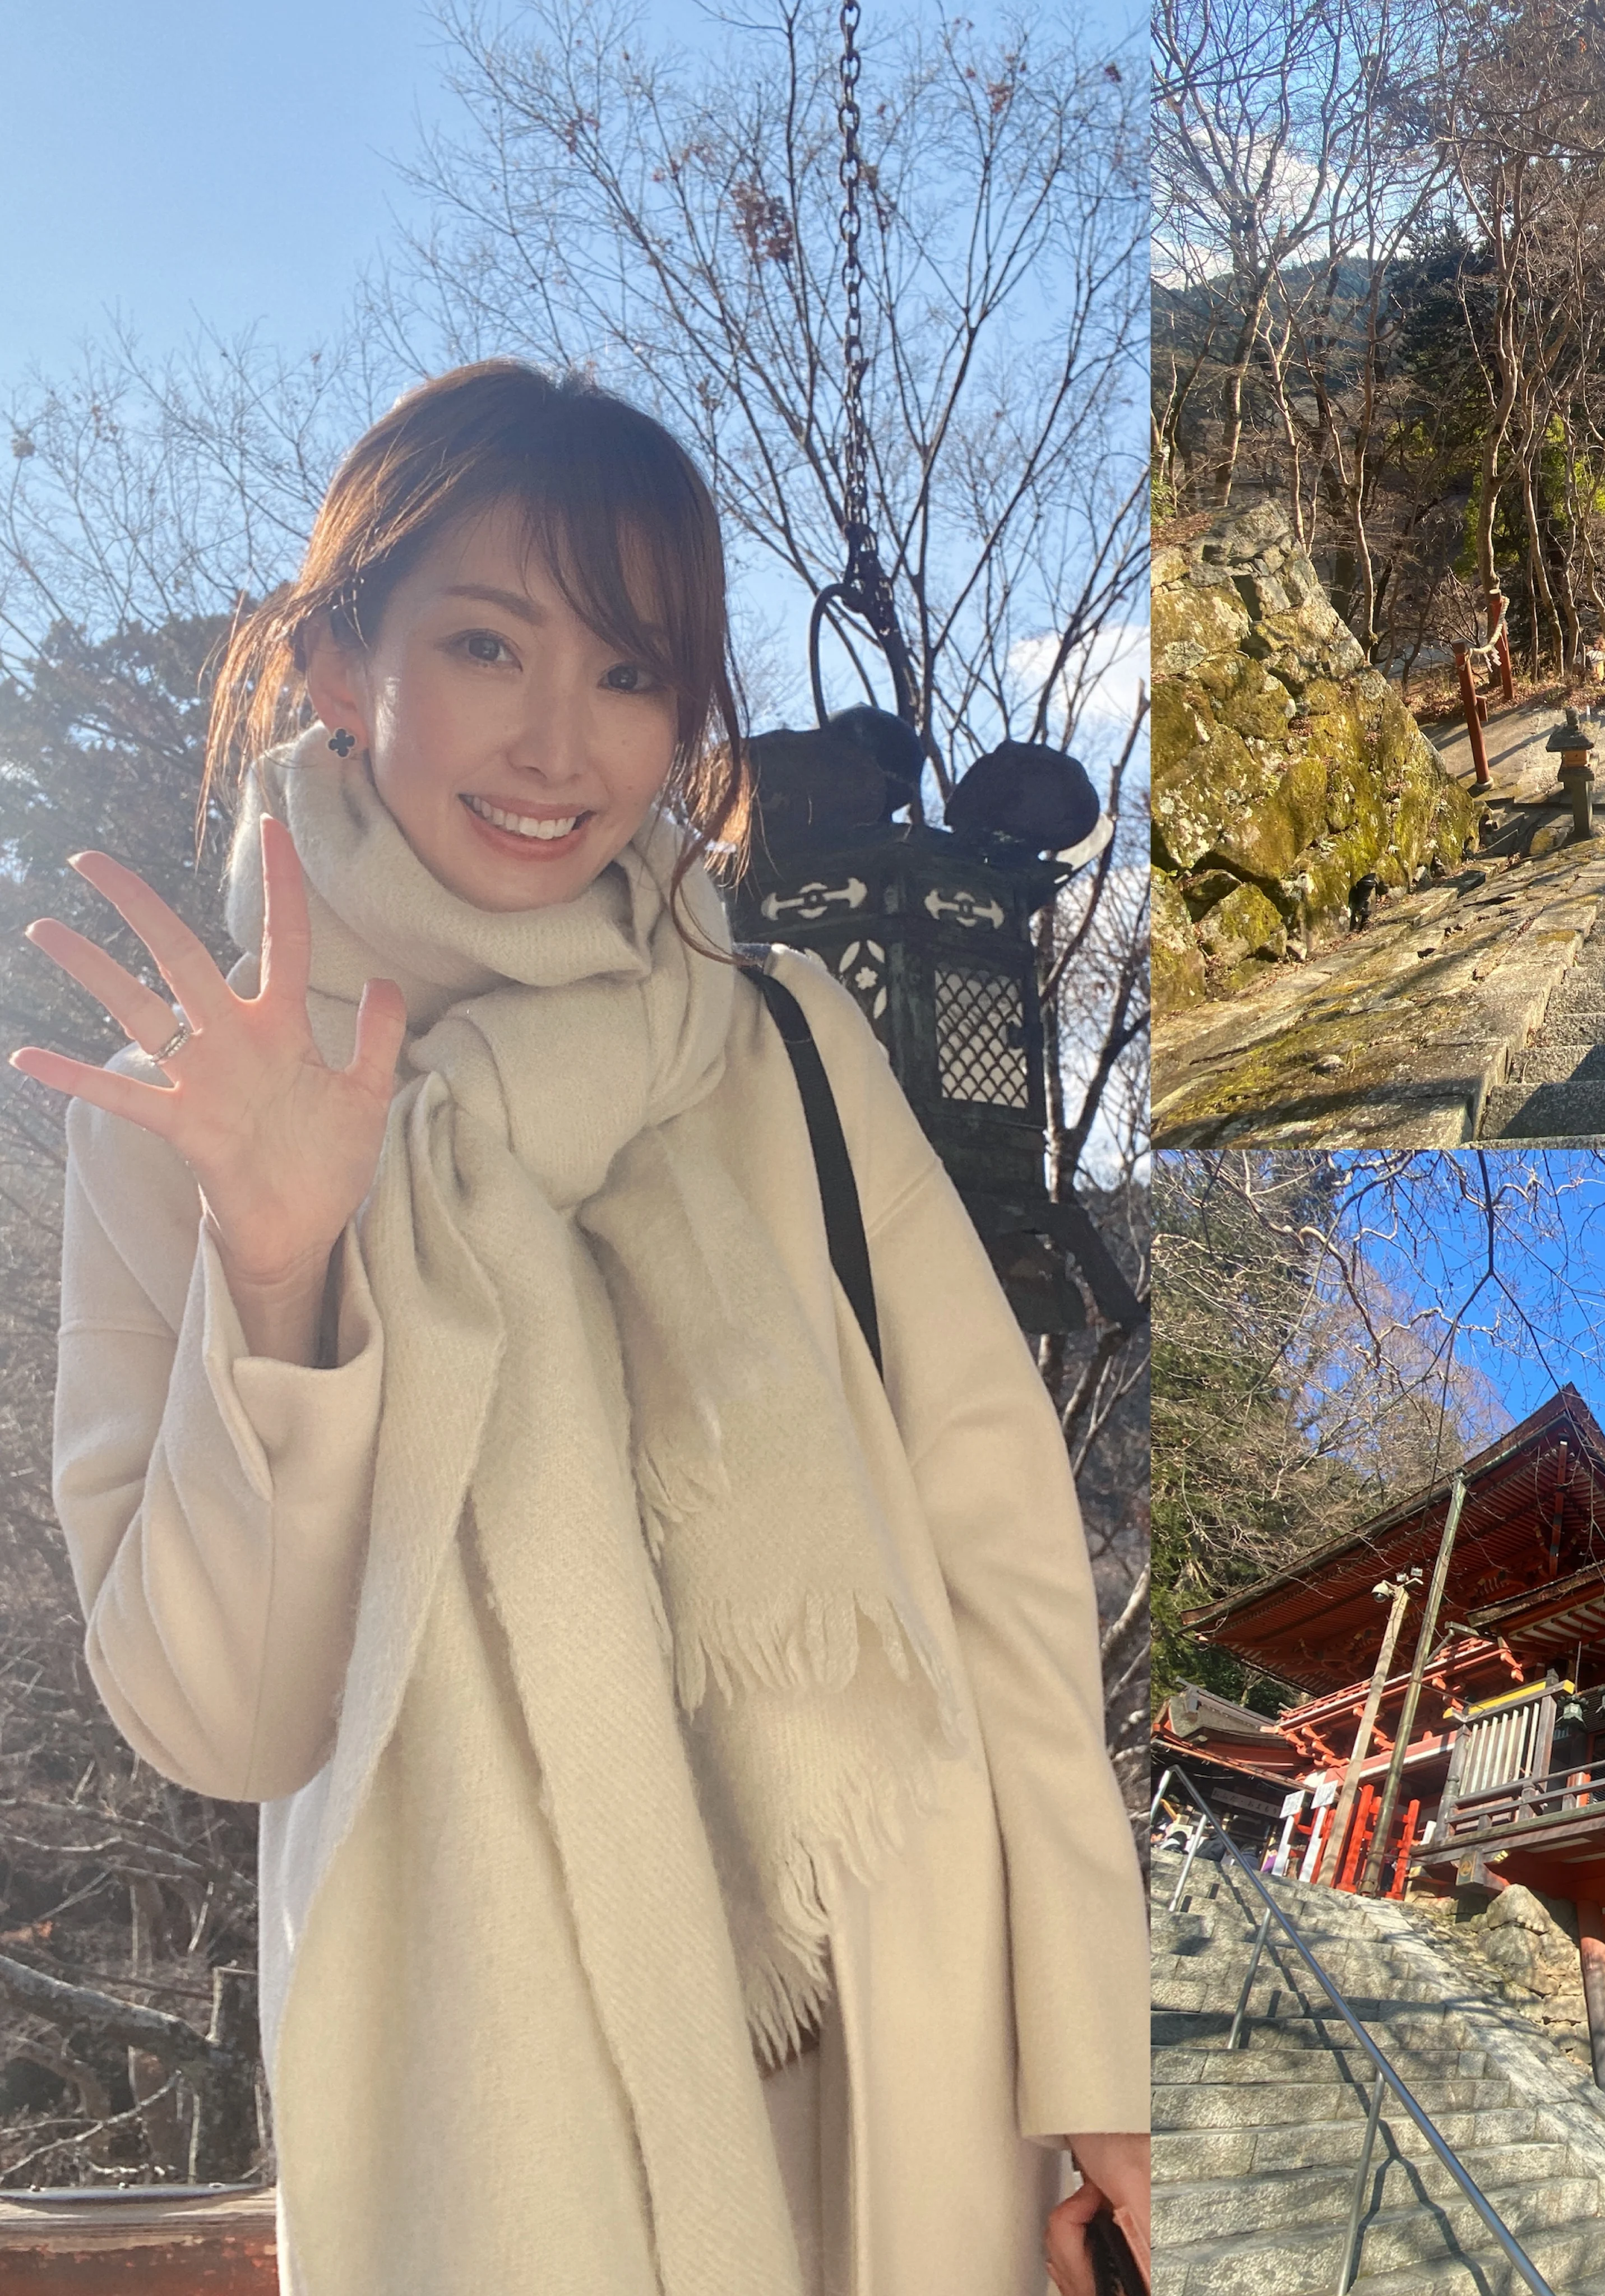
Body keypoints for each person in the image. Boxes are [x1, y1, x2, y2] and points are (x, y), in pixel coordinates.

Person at [15, 362, 1146, 2296]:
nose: (561, 740)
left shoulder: (777, 1036)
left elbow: (1006, 1564)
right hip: (483, 2098)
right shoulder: (184, 1109)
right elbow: (223, 1715)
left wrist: (1098, 2051)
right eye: (484, 642)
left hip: (882, 2022)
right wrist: (279, 1270)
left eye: (629, 672)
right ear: (336, 663)